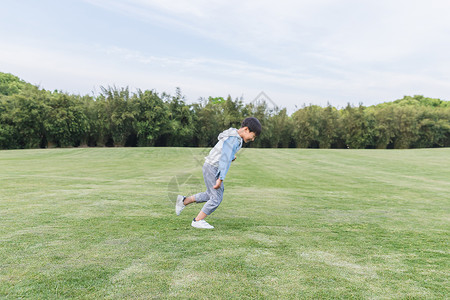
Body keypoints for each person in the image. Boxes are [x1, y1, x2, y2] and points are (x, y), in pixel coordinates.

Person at [176, 117, 262, 229]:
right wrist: (220, 178)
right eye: (253, 136)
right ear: (246, 129)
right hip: (213, 168)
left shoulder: (233, 134)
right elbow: (224, 160)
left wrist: (231, 155)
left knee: (211, 194)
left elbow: (225, 151)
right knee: (216, 198)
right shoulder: (234, 139)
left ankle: (183, 201)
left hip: (210, 166)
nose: (253, 139)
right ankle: (197, 220)